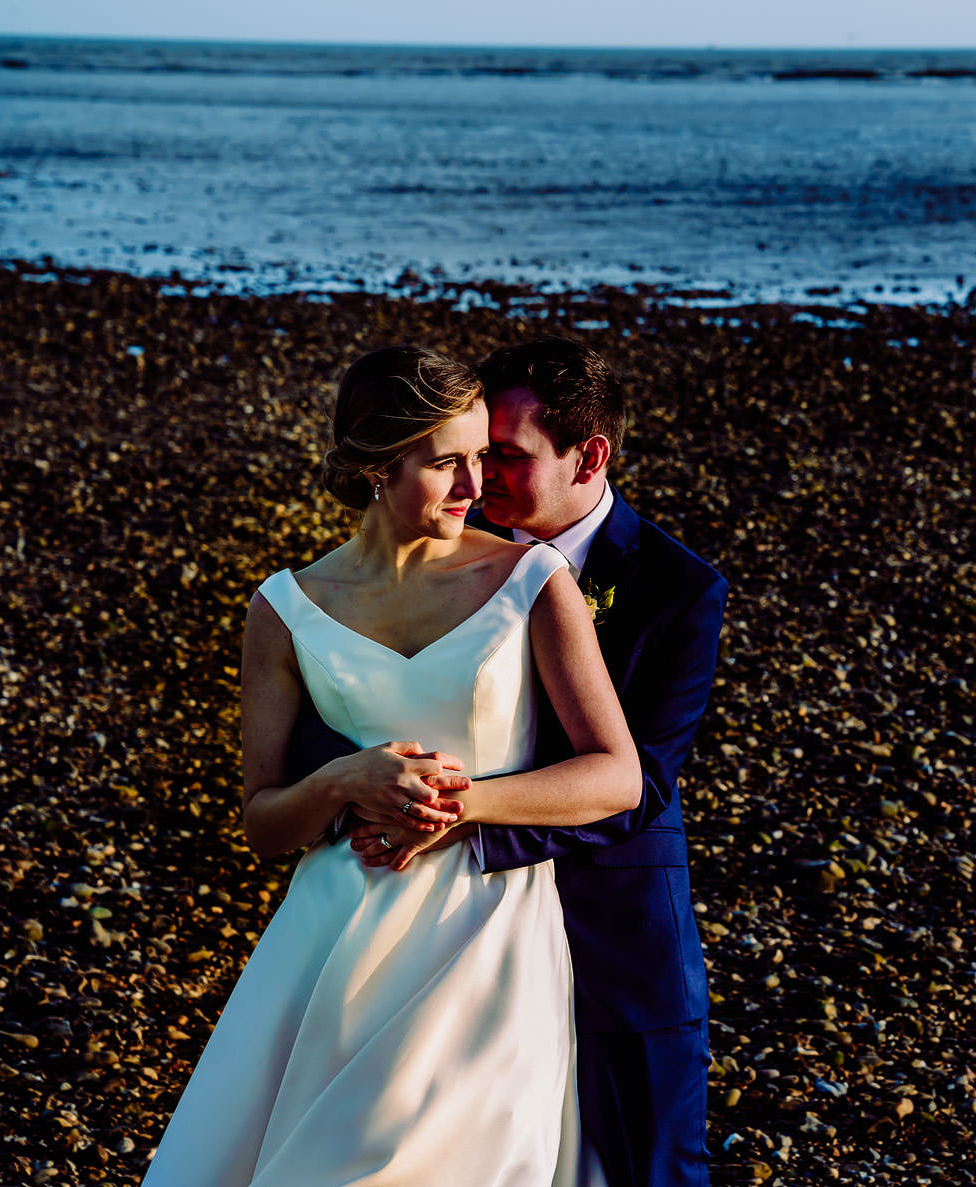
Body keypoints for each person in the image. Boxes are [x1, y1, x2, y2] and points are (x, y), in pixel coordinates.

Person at [143, 346, 640, 1186]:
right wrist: (345, 781)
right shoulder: (286, 608)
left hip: (485, 937)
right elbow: (263, 821)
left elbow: (616, 773)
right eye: (449, 462)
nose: (475, 486)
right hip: (336, 940)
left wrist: (468, 803)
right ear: (378, 464)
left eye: (482, 457)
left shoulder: (531, 581)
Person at [291, 337, 727, 1187]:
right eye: (474, 453)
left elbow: (637, 789)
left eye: (506, 458)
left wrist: (451, 820)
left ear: (589, 455)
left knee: (652, 1171)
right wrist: (363, 790)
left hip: (612, 939)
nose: (479, 478)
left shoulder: (680, 590)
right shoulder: (451, 548)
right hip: (449, 939)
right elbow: (347, 686)